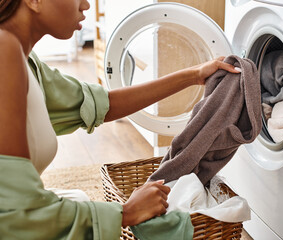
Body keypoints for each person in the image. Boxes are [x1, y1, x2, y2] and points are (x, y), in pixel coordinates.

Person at [0, 0, 240, 239]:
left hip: (19, 212)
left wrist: (195, 74)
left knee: (82, 202)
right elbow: (17, 214)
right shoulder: (4, 50)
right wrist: (125, 213)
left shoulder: (26, 61)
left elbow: (105, 104)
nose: (85, 5)